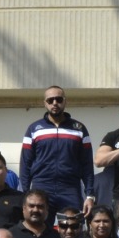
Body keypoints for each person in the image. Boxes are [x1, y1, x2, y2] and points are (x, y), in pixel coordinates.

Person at [20, 86, 94, 217]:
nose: (55, 103)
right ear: (45, 103)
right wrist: (25, 193)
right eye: (50, 100)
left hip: (70, 187)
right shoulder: (34, 128)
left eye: (59, 99)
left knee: (73, 228)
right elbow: (26, 163)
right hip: (42, 185)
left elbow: (87, 164)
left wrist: (90, 195)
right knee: (39, 229)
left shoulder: (79, 129)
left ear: (65, 101)